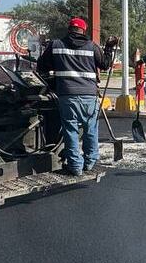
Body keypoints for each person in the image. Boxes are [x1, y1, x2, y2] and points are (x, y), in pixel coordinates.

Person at [36, 17, 116, 176]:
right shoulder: (92, 46)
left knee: (70, 130)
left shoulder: (56, 45)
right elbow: (105, 64)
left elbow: (42, 66)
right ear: (83, 30)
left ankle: (75, 166)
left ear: (69, 29)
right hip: (89, 95)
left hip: (67, 96)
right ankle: (90, 161)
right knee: (90, 128)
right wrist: (108, 48)